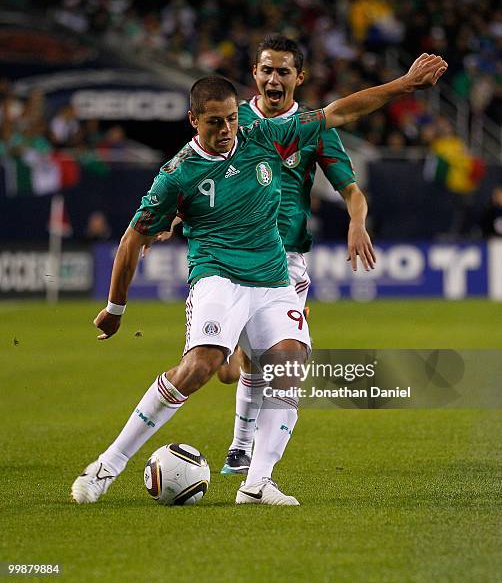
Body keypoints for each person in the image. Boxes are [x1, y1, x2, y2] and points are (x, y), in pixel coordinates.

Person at [71, 54, 447, 507]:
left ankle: (256, 484)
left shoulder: (264, 135)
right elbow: (133, 237)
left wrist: (404, 84)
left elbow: (340, 111)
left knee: (289, 367)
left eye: (231, 118)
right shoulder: (177, 174)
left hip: (272, 279)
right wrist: (115, 309)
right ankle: (105, 468)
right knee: (203, 367)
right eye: (215, 122)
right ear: (194, 120)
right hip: (217, 276)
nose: (227, 129)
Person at [216, 34, 375, 475]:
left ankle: (242, 451)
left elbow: (352, 191)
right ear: (254, 74)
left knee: (268, 360)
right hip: (232, 254)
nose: (273, 78)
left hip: (286, 263)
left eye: (283, 71)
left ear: (298, 78)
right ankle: (243, 448)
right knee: (231, 368)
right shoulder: (232, 123)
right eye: (266, 70)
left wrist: (356, 222)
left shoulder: (313, 129)